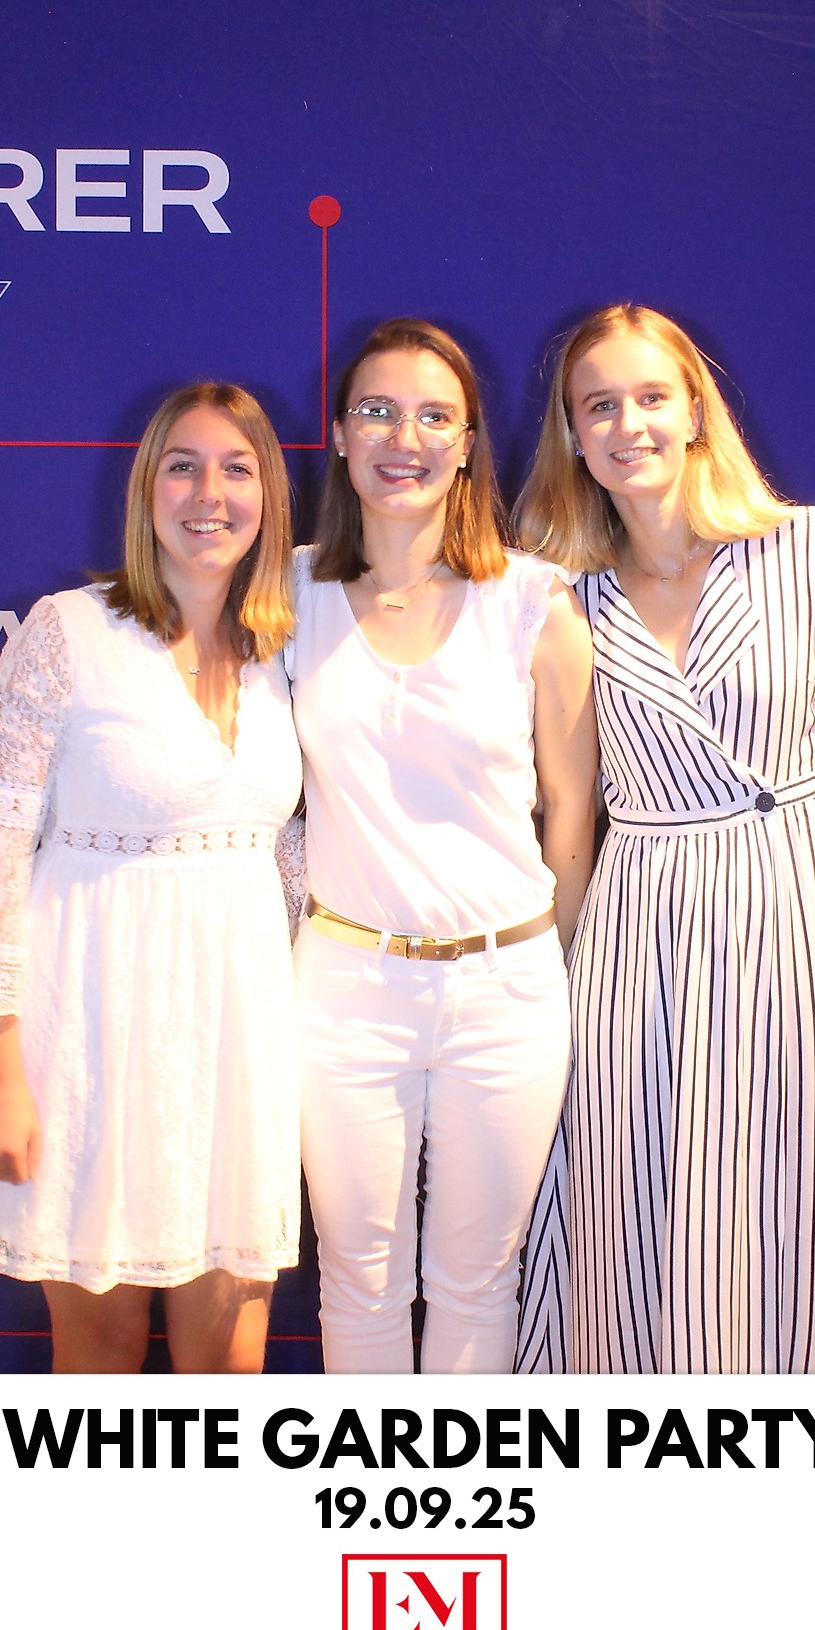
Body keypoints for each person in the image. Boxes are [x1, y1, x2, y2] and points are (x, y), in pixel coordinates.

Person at [513, 304, 815, 1374]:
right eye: (600, 405)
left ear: (696, 410)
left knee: (804, 1212)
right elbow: (568, 809)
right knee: (630, 1207)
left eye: (651, 396)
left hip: (792, 914)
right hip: (637, 930)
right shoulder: (559, 595)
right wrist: (550, 972)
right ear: (572, 434)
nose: (628, 425)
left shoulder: (809, 549)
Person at [0, 382, 303, 1373]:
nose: (209, 494)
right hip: (89, 1036)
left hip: (239, 1050)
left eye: (237, 468)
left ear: (269, 494)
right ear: (146, 492)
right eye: (183, 467)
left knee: (233, 1358)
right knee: (102, 1351)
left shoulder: (283, 650)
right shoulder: (68, 633)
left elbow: (289, 865)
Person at [287, 317, 598, 1374]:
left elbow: (571, 813)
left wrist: (541, 961)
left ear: (467, 445)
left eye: (433, 416)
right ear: (339, 434)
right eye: (376, 411)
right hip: (346, 988)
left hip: (505, 988)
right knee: (357, 1277)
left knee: (478, 1281)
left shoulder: (532, 601)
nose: (403, 438)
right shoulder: (286, 595)